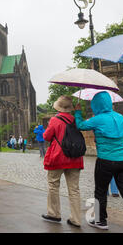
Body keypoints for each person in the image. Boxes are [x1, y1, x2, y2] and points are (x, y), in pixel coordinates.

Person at [75, 91, 123, 233]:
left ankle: (100, 220)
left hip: (105, 161)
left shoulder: (97, 119)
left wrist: (78, 111)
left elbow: (80, 125)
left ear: (96, 104)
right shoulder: (122, 118)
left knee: (100, 191)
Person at [41, 96, 84, 227]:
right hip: (74, 158)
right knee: (74, 189)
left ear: (58, 107)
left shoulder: (55, 120)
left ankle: (54, 214)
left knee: (53, 185)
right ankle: (76, 219)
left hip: (58, 157)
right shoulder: (76, 120)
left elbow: (46, 137)